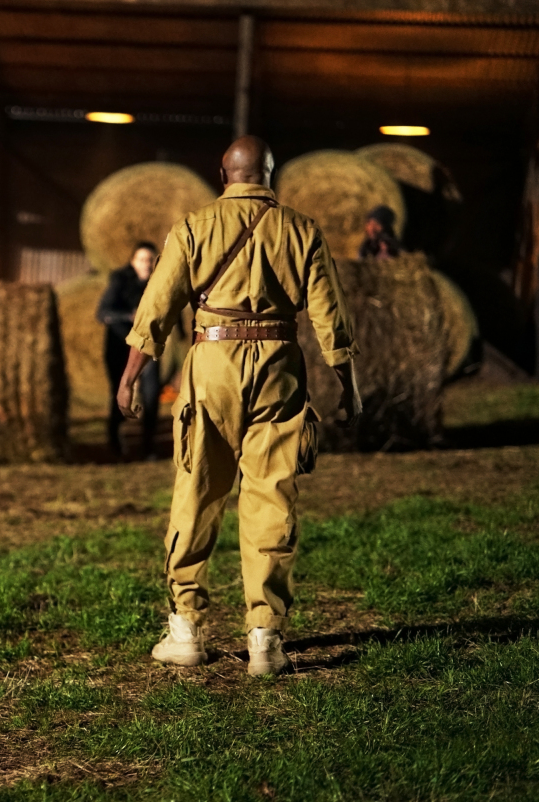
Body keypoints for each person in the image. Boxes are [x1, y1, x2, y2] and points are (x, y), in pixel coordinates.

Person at [118, 135, 362, 676]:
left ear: (223, 173)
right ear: (269, 174)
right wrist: (349, 383)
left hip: (212, 364)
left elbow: (157, 304)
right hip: (280, 365)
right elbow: (330, 316)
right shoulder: (301, 230)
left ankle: (185, 629)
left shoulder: (192, 226)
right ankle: (265, 639)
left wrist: (131, 373)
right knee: (271, 496)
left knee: (198, 490)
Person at [97, 241, 161, 459]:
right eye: (142, 260)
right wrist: (129, 316)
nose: (146, 265)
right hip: (119, 345)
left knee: (152, 395)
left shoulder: (159, 281)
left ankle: (148, 447)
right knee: (120, 390)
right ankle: (114, 442)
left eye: (150, 260)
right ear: (133, 261)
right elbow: (103, 312)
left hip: (148, 344)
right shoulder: (119, 280)